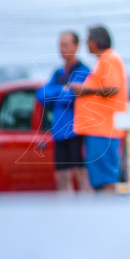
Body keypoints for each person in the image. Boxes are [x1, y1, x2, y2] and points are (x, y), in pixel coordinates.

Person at [69, 26, 128, 192]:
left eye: (87, 40)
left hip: (104, 130)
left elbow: (113, 87)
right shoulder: (103, 60)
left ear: (94, 42)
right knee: (99, 179)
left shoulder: (109, 59)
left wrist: (85, 90)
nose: (86, 44)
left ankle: (108, 215)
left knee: (106, 179)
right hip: (99, 130)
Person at [35, 31, 91, 193]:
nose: (62, 49)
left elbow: (71, 96)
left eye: (65, 45)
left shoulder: (83, 71)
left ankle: (87, 212)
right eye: (60, 45)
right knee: (61, 176)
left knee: (81, 176)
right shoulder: (58, 73)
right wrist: (62, 89)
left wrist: (57, 93)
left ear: (76, 46)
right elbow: (41, 95)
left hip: (76, 132)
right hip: (59, 133)